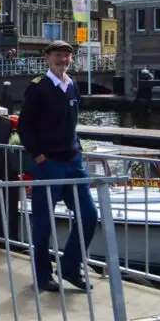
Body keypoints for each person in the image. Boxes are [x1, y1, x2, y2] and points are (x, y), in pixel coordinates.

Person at [17, 40, 97, 293]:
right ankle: (42, 276)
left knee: (89, 215)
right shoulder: (38, 88)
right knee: (43, 222)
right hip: (48, 164)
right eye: (58, 56)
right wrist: (38, 155)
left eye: (66, 56)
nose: (63, 60)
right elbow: (24, 126)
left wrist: (79, 149)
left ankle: (69, 267)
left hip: (73, 162)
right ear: (48, 58)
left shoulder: (72, 85)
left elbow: (71, 123)